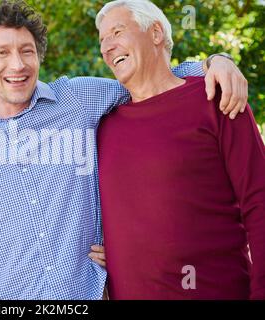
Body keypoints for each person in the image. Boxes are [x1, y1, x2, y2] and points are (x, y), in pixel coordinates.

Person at [0, 0, 249, 300]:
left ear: (39, 57)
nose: (16, 65)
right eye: (1, 53)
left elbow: (150, 75)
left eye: (26, 51)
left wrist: (215, 62)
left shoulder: (82, 98)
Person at [94, 0, 265, 299]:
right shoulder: (103, 126)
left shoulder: (215, 99)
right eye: (102, 40)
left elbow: (259, 201)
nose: (107, 47)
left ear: (156, 33)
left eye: (117, 32)